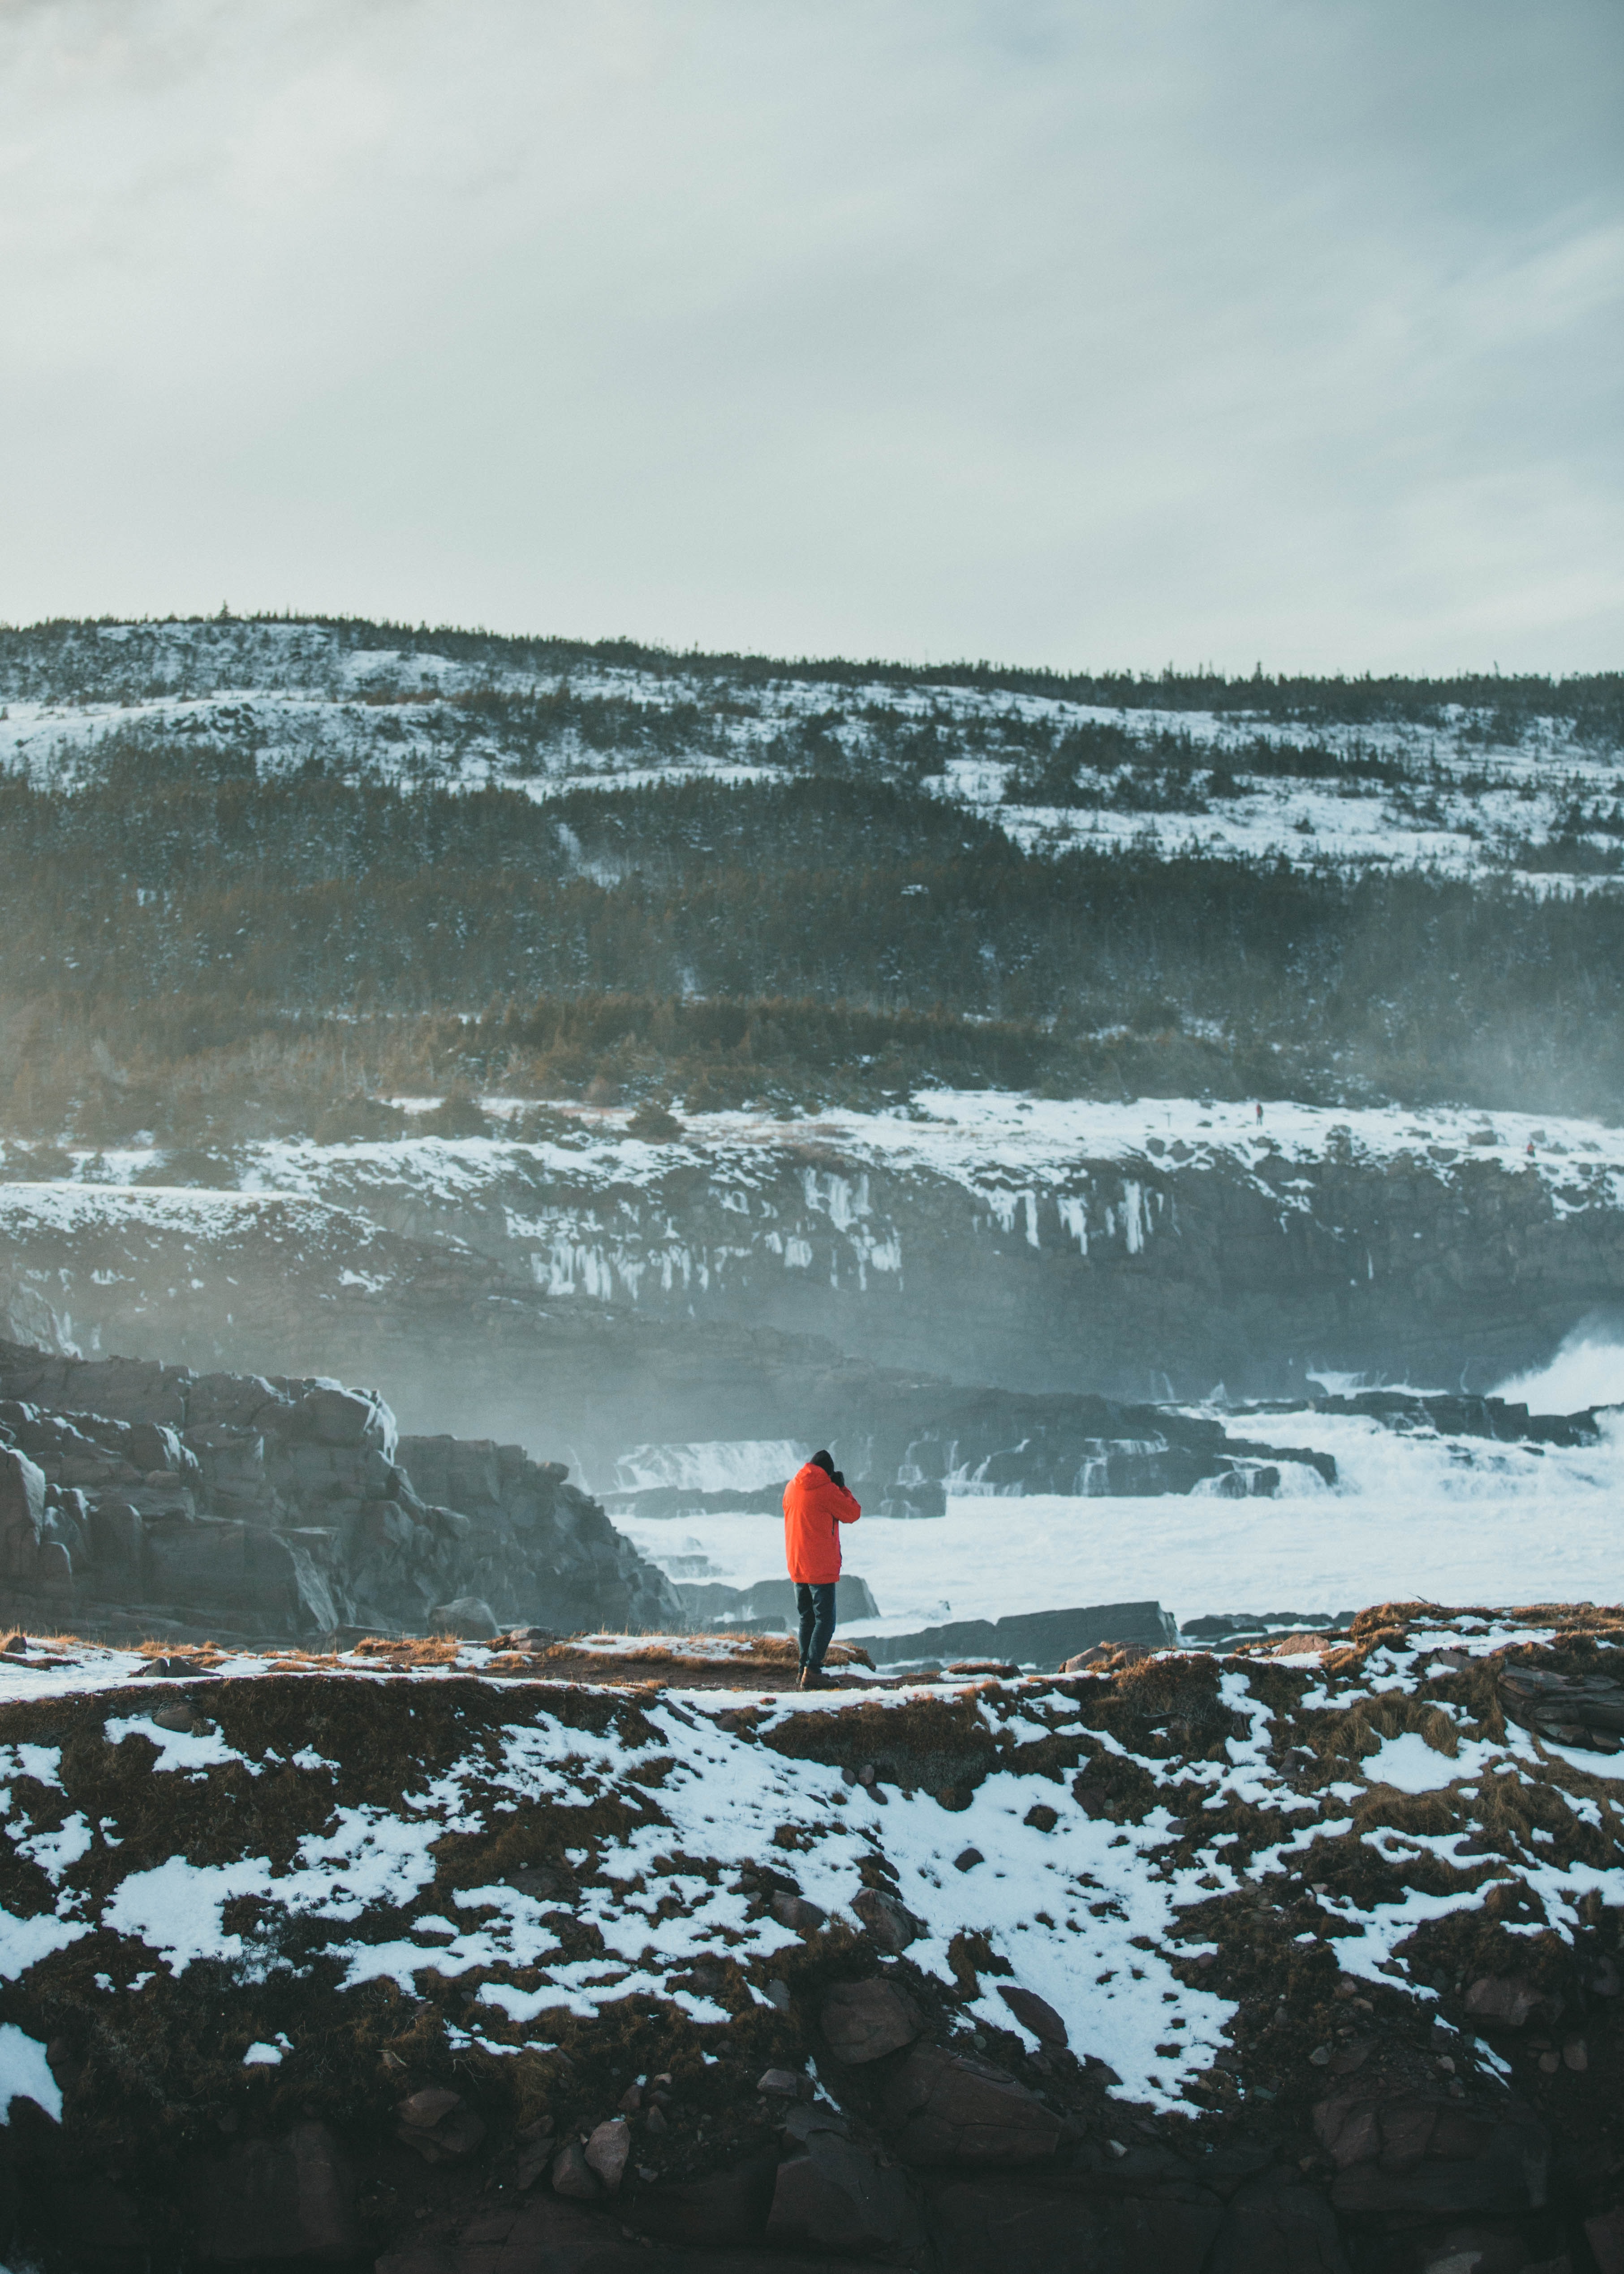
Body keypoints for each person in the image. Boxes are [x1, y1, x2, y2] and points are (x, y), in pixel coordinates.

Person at [782, 1449, 861, 1689]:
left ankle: (803, 1670)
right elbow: (852, 1513)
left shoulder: (791, 1488)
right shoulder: (827, 1491)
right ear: (828, 1472)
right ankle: (813, 1671)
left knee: (807, 1619)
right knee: (826, 1620)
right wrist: (842, 1488)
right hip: (820, 1567)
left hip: (797, 1563)